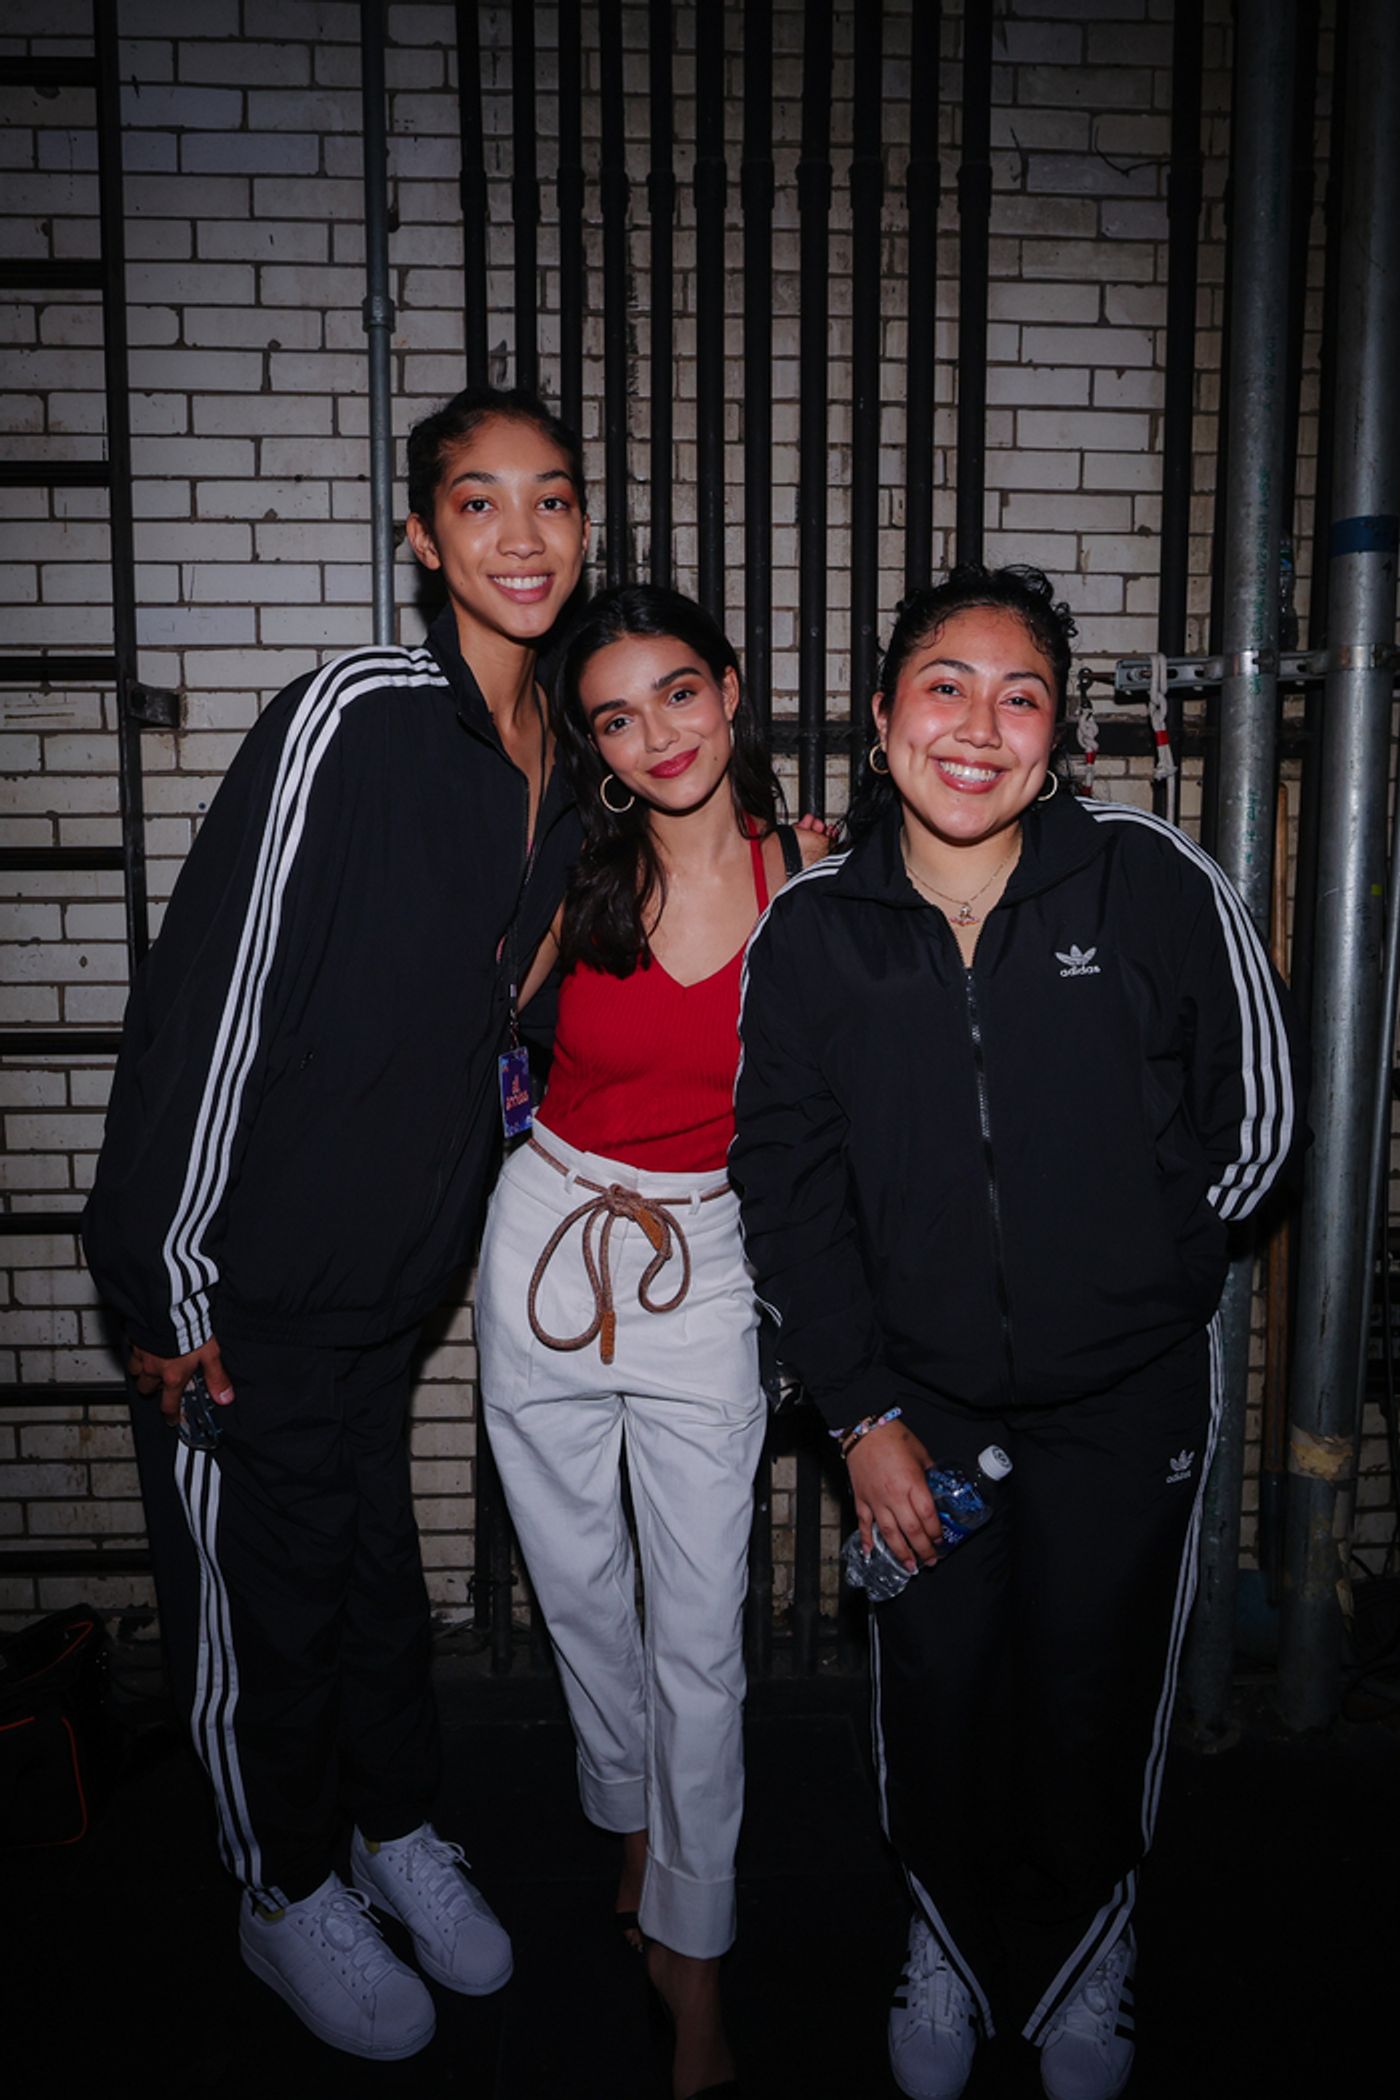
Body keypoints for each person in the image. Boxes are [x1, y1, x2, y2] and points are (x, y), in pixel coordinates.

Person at [730, 564, 1301, 2100]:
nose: (979, 727)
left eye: (1021, 694)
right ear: (881, 717)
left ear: (1061, 736)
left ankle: (1083, 1954)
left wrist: (1131, 1304)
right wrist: (861, 1412)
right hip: (914, 1413)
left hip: (1124, 1404)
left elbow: (1260, 1123)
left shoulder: (1154, 883)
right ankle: (948, 1942)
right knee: (936, 1689)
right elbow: (784, 1197)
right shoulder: (812, 934)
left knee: (1093, 1687)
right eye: (946, 686)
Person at [82, 385, 591, 2061]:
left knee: (373, 1574)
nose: (521, 537)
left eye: (552, 500)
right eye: (479, 503)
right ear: (424, 535)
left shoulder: (564, 766)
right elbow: (209, 998)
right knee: (256, 1603)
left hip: (392, 1284)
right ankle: (279, 1881)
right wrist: (158, 1271)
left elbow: (508, 1014)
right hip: (243, 1275)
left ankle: (392, 1824)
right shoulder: (356, 714)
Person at [475, 583, 826, 2100]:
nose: (656, 733)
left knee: (700, 1633)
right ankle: (626, 1816)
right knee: (580, 1593)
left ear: (730, 691)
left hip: (708, 1262)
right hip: (544, 1241)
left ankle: (694, 1958)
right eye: (616, 714)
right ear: (598, 744)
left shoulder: (814, 879)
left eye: (678, 693)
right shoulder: (576, 873)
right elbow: (455, 1036)